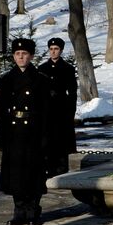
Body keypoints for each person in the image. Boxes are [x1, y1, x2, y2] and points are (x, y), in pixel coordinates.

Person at [0, 38, 50, 225]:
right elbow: (1, 109)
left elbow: (46, 111)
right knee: (16, 174)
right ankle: (19, 211)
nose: (21, 57)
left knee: (33, 174)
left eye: (25, 54)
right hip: (14, 132)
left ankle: (33, 210)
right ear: (13, 56)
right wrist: (1, 135)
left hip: (33, 132)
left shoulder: (41, 80)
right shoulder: (7, 79)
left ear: (31, 56)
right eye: (17, 54)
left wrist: (44, 136)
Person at [37, 36, 78, 177]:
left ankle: (62, 170)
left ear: (61, 50)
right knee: (47, 141)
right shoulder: (42, 69)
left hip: (62, 110)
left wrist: (70, 112)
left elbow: (72, 93)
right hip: (46, 110)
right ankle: (48, 169)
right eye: (51, 49)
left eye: (56, 49)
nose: (53, 52)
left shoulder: (68, 68)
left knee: (61, 142)